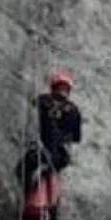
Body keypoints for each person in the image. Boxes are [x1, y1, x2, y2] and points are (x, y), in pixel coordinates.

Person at [16, 68, 82, 197]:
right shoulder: (74, 110)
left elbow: (33, 104)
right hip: (62, 157)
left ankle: (27, 194)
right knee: (51, 172)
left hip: (43, 152)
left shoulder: (44, 100)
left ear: (53, 87)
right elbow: (76, 138)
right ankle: (42, 191)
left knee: (22, 169)